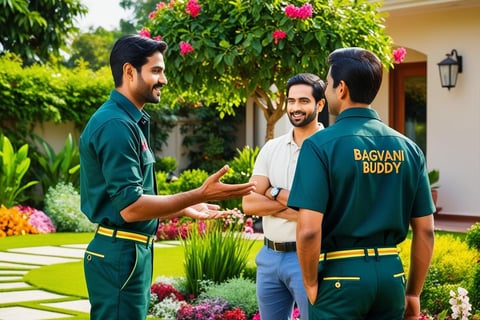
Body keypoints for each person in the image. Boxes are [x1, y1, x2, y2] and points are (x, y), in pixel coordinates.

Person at [79, 34, 256, 320]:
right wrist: (200, 193)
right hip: (122, 252)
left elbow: (133, 199)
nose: (164, 80)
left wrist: (183, 207)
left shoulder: (130, 121)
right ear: (129, 71)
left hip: (129, 249)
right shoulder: (116, 125)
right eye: (156, 70)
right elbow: (131, 206)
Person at [287, 47, 435, 320]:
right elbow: (425, 231)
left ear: (341, 88)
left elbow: (308, 231)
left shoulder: (319, 146)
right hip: (392, 274)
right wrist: (413, 293)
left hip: (341, 275)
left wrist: (309, 283)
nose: (327, 90)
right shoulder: (409, 148)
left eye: (329, 84)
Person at [242, 73, 327, 320]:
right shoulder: (271, 148)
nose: (295, 108)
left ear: (319, 105)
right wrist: (300, 210)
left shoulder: (330, 148)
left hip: (310, 256)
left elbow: (325, 213)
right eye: (291, 101)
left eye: (303, 101)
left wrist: (273, 192)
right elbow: (248, 202)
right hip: (269, 256)